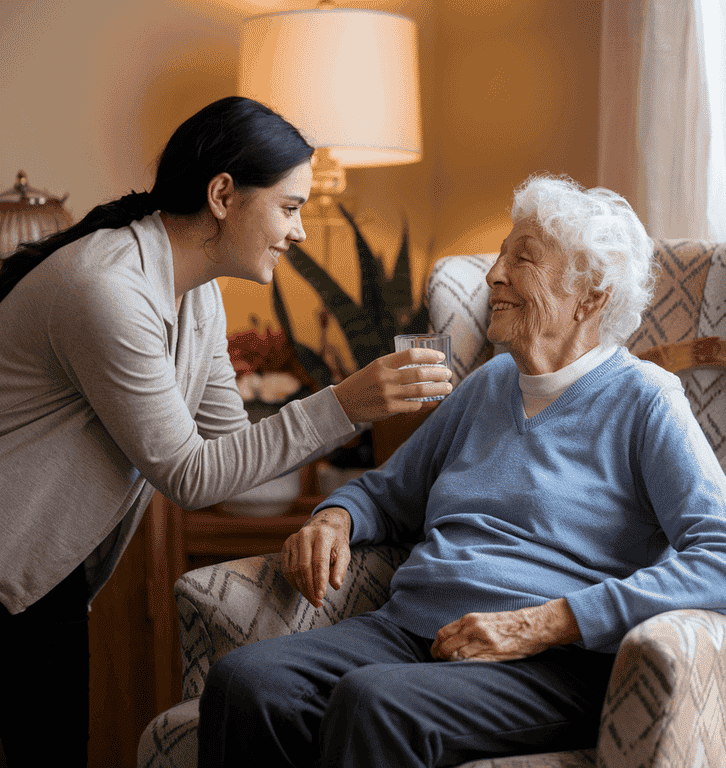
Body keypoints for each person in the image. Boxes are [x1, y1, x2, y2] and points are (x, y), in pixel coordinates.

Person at [197, 173, 726, 768]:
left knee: (377, 703)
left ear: (591, 297)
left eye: (522, 260)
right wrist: (335, 519)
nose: (495, 275)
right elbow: (387, 494)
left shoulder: (646, 399)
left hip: (545, 663)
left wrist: (548, 622)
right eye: (500, 256)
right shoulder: (489, 384)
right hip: (410, 631)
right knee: (247, 682)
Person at [0, 96, 452, 767]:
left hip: (47, 574)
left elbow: (227, 452)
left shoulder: (198, 292)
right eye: (290, 207)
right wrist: (346, 403)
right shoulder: (105, 291)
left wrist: (349, 473)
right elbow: (188, 475)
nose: (298, 232)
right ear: (223, 195)